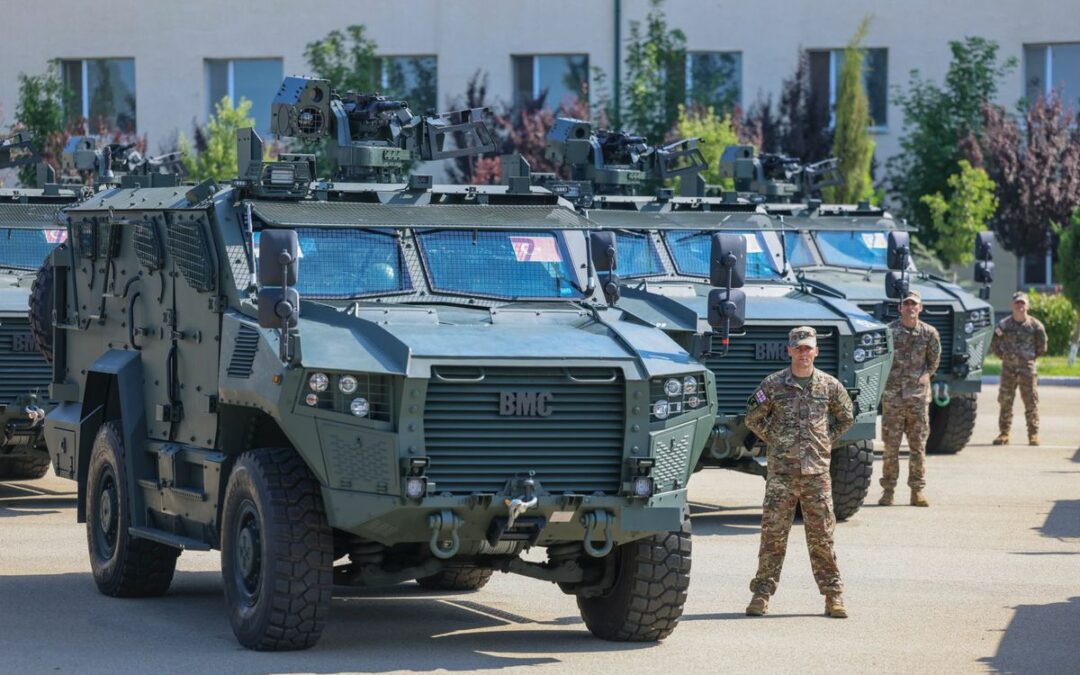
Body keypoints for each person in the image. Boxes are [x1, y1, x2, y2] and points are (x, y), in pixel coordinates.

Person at [744, 326, 855, 619]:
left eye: (808, 348)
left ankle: (833, 596)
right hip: (781, 474)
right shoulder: (772, 385)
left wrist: (824, 440)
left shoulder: (829, 386)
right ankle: (761, 595)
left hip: (816, 475)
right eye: (799, 348)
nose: (804, 353)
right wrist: (777, 439)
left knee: (822, 537)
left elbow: (846, 417)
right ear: (789, 351)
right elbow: (752, 417)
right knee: (773, 536)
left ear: (816, 351)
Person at [879, 290, 941, 508]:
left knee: (917, 447)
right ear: (900, 308)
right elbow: (882, 361)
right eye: (906, 304)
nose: (910, 308)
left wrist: (921, 380)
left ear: (920, 308)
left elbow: (933, 362)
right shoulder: (889, 332)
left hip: (918, 399)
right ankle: (888, 491)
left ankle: (917, 491)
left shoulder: (929, 333)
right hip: (893, 399)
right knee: (891, 448)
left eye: (914, 304)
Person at [990, 291, 1048, 446]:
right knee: (1005, 401)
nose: (1020, 306)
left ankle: (1033, 434)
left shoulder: (1035, 326)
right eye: (1017, 303)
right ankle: (1004, 434)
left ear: (1027, 305)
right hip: (1008, 369)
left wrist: (1029, 358)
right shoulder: (1004, 325)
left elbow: (1042, 347)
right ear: (1012, 305)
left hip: (1027, 370)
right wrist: (1004, 357)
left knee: (1031, 401)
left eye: (1022, 303)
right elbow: (994, 344)